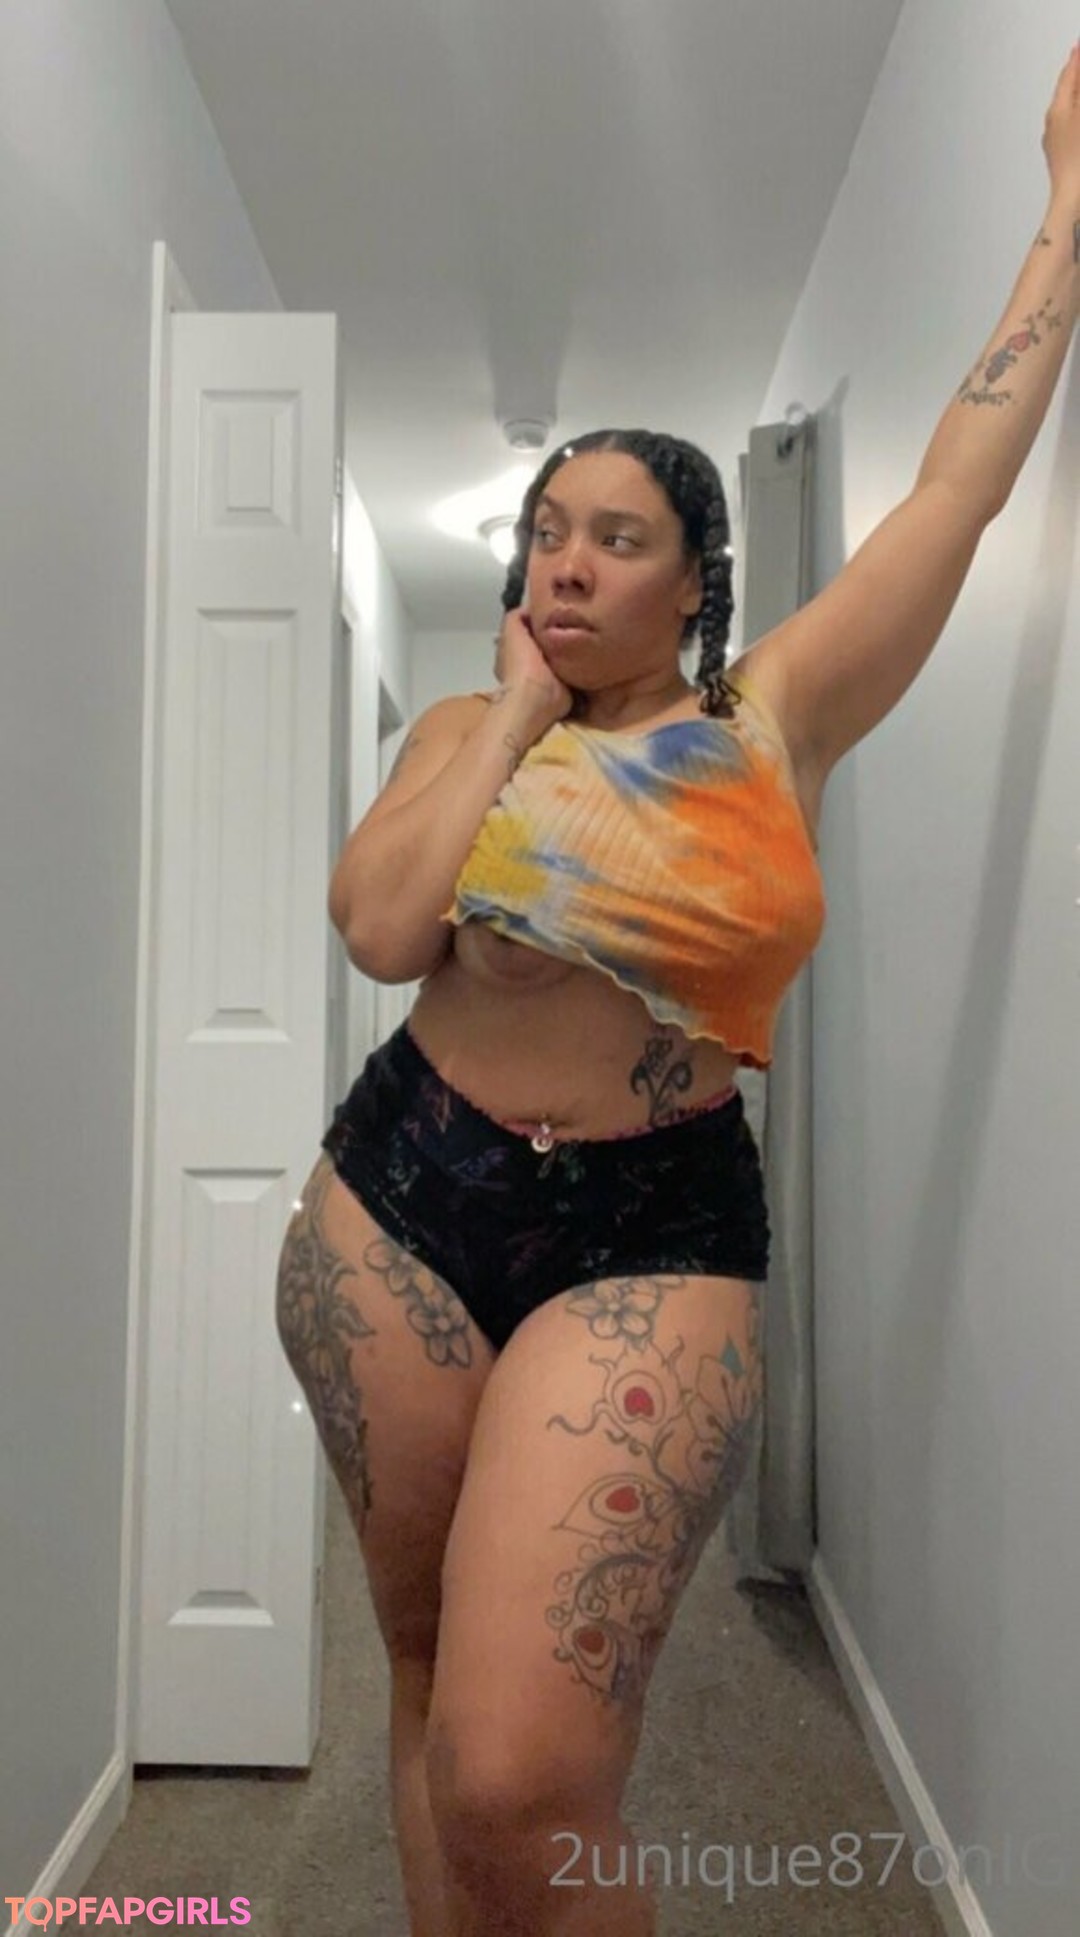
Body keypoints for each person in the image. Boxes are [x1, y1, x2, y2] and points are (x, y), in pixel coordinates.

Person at [275, 49, 1079, 1937]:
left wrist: (1066, 211)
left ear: (697, 579)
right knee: (421, 1671)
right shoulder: (469, 726)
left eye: (614, 537)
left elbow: (957, 494)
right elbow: (381, 930)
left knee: (523, 1766)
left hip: (658, 1226)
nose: (567, 562)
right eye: (546, 534)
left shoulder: (772, 719)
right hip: (403, 1193)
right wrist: (513, 716)